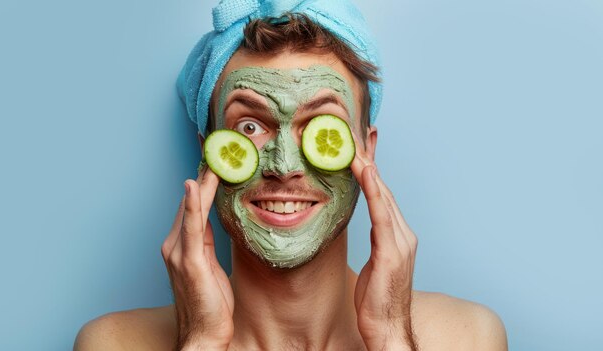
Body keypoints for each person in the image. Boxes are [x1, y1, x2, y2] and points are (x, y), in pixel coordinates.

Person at [74, 1, 508, 350]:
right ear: (208, 154)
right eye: (250, 127)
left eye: (322, 128)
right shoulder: (114, 343)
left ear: (367, 150)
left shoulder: (466, 337)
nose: (284, 166)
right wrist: (201, 341)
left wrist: (392, 337)